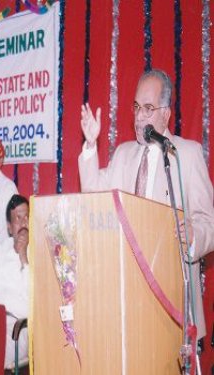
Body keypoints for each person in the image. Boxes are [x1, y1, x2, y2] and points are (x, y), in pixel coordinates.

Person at [78, 68, 214, 339]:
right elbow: (92, 191)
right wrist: (91, 145)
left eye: (148, 108)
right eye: (137, 106)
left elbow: (208, 222)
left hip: (172, 302)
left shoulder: (186, 155)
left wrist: (194, 236)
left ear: (166, 113)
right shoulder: (124, 155)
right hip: (127, 298)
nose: (139, 116)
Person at [0, 194, 29, 368]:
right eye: (18, 218)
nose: (24, 223)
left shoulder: (39, 252)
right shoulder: (0, 251)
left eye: (26, 217)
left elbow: (31, 306)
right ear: (10, 228)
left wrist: (24, 257)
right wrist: (8, 302)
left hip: (21, 329)